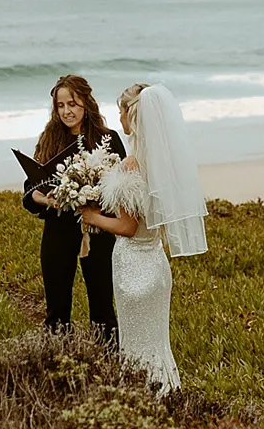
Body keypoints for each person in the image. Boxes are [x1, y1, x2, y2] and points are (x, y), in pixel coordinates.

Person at [81, 83, 208, 392]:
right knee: (157, 343)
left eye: (121, 111)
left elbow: (126, 227)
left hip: (133, 266)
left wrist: (91, 216)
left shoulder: (132, 164)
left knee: (136, 345)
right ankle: (167, 395)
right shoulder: (161, 166)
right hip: (156, 263)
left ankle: (142, 402)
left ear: (131, 116)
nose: (119, 118)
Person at [23, 75, 127, 343]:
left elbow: (123, 187)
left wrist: (94, 199)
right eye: (60, 106)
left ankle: (110, 367)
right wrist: (40, 198)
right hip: (57, 231)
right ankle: (59, 364)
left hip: (98, 232)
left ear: (86, 104)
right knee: (56, 309)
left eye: (73, 104)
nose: (66, 111)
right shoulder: (49, 139)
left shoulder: (108, 138)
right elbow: (31, 187)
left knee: (102, 306)